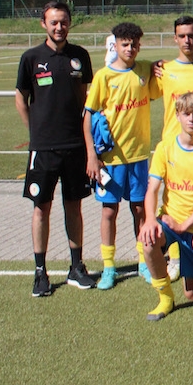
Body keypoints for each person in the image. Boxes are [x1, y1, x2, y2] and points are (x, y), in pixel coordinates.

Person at [15, 1, 96, 296]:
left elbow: (86, 99)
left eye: (63, 22)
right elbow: (21, 98)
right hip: (44, 148)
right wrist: (35, 131)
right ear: (44, 24)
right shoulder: (31, 58)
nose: (59, 27)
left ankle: (76, 267)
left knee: (74, 206)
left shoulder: (80, 56)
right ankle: (40, 272)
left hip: (75, 145)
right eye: (53, 22)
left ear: (69, 23)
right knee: (41, 208)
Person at [82, 22, 161, 290]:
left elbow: (161, 73)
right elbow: (88, 117)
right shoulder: (104, 77)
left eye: (134, 44)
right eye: (124, 44)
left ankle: (142, 263)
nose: (129, 49)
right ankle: (109, 267)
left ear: (139, 45)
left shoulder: (144, 70)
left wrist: (159, 65)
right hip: (110, 160)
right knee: (109, 211)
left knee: (139, 209)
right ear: (114, 45)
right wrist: (91, 156)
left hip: (138, 157)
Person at [138, 93, 193, 321]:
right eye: (187, 114)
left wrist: (184, 225)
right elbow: (152, 189)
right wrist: (149, 220)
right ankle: (165, 298)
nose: (192, 119)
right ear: (177, 115)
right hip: (170, 221)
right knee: (148, 240)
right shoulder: (165, 148)